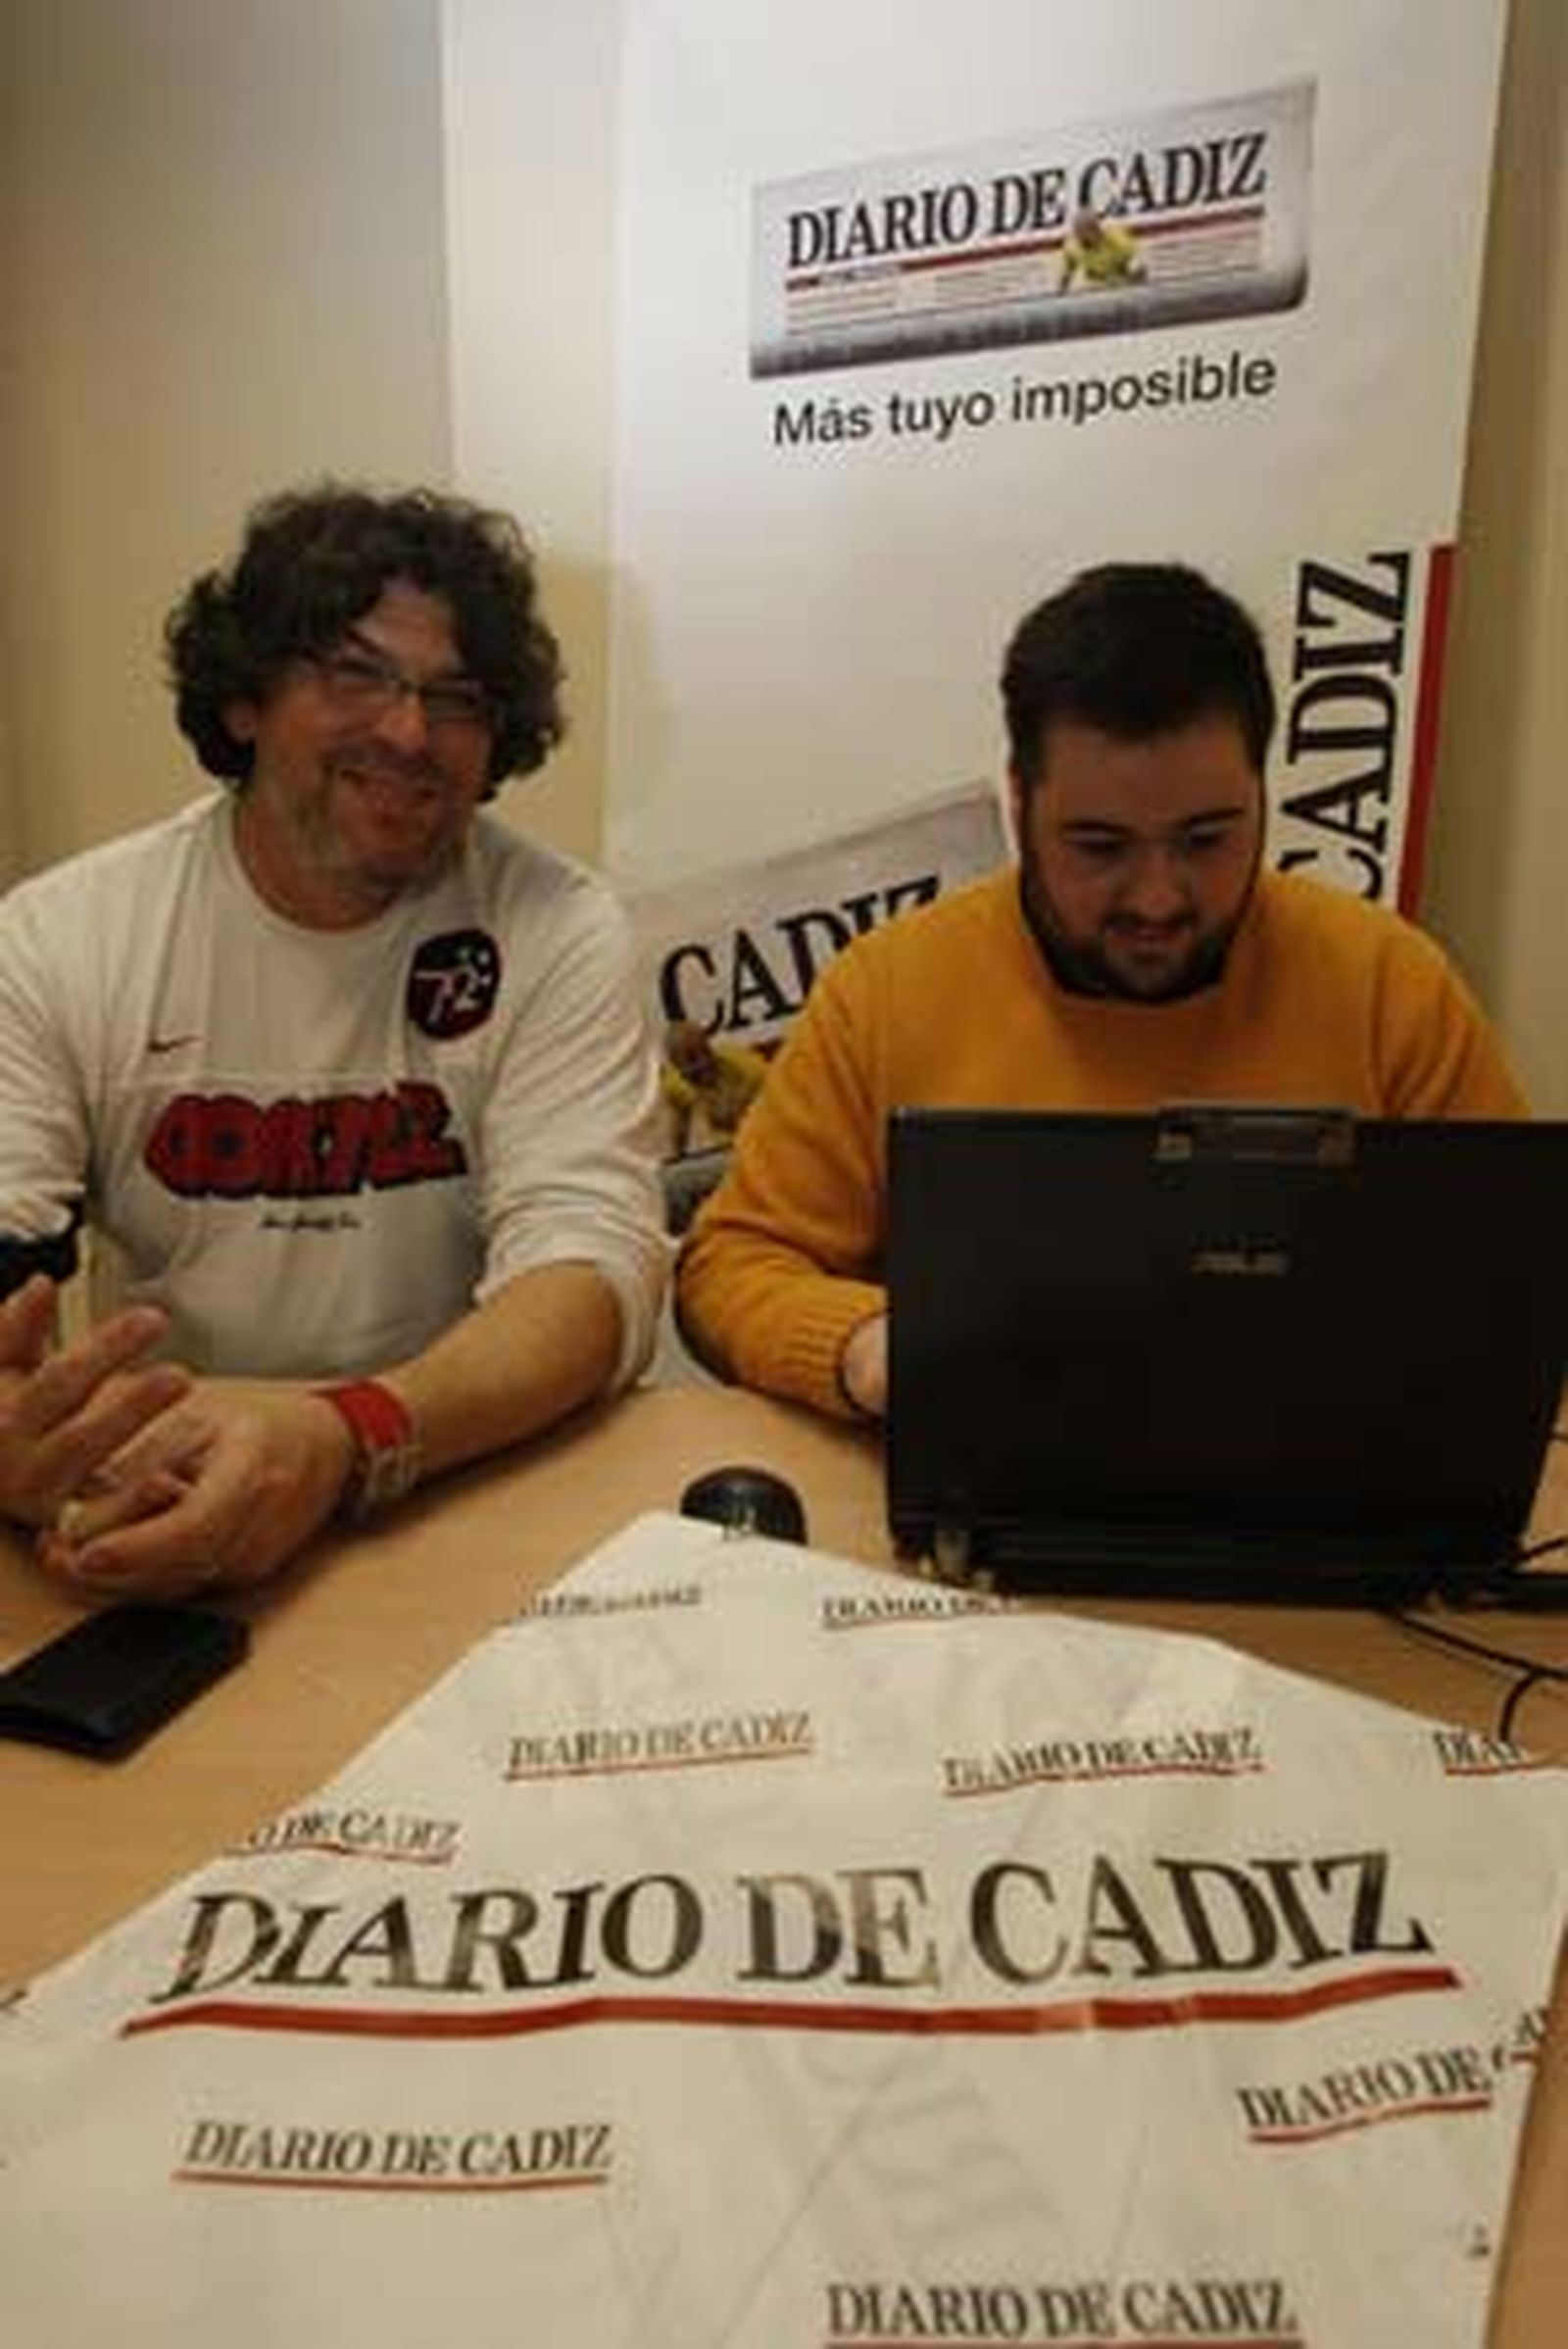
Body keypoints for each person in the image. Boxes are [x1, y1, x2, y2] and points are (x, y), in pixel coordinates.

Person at [0, 483, 667, 1594]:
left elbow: (590, 1272)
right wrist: (21, 1440)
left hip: (458, 1474)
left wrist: (350, 1436)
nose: (408, 732)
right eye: (355, 675)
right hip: (166, 1486)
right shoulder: (61, 937)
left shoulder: (556, 926)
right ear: (246, 698)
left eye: (456, 698)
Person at [675, 562, 1526, 1423]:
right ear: (1019, 800)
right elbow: (732, 1263)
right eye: (1099, 846)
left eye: (1205, 839)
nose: (1156, 899)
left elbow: (1517, 1273)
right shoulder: (888, 990)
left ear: (1264, 790)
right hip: (982, 1470)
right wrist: (864, 1344)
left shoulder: (1386, 983)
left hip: (1322, 1465)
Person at [660, 1019, 771, 1157]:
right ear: (676, 1065)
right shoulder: (674, 1084)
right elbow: (680, 1128)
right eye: (691, 1059)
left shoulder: (748, 1067)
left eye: (707, 1052)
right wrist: (678, 1158)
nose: (704, 1063)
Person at [1058, 206, 1147, 292]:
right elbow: (1066, 275)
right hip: (1096, 286)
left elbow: (1137, 266)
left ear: (1096, 229)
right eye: (1077, 233)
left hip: (1123, 282)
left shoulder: (1116, 237)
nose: (1080, 238)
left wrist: (1133, 277)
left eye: (1084, 233)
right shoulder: (1072, 246)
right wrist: (1062, 289)